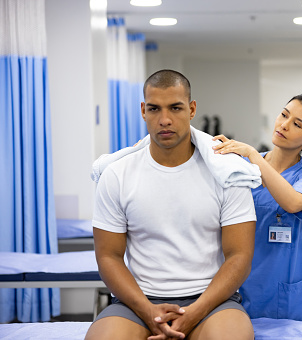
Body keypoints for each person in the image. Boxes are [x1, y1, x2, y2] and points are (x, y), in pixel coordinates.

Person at [85, 70, 257, 340]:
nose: (164, 120)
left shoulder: (228, 174)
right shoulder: (117, 175)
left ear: (191, 109)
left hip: (210, 300)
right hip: (138, 300)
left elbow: (240, 256)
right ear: (143, 110)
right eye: (154, 109)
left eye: (175, 108)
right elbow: (109, 256)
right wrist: (147, 311)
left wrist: (195, 312)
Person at [212, 94, 302, 326]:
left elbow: (293, 202)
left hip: (283, 291)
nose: (284, 125)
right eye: (284, 115)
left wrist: (254, 156)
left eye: (297, 124)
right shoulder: (241, 166)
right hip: (238, 282)